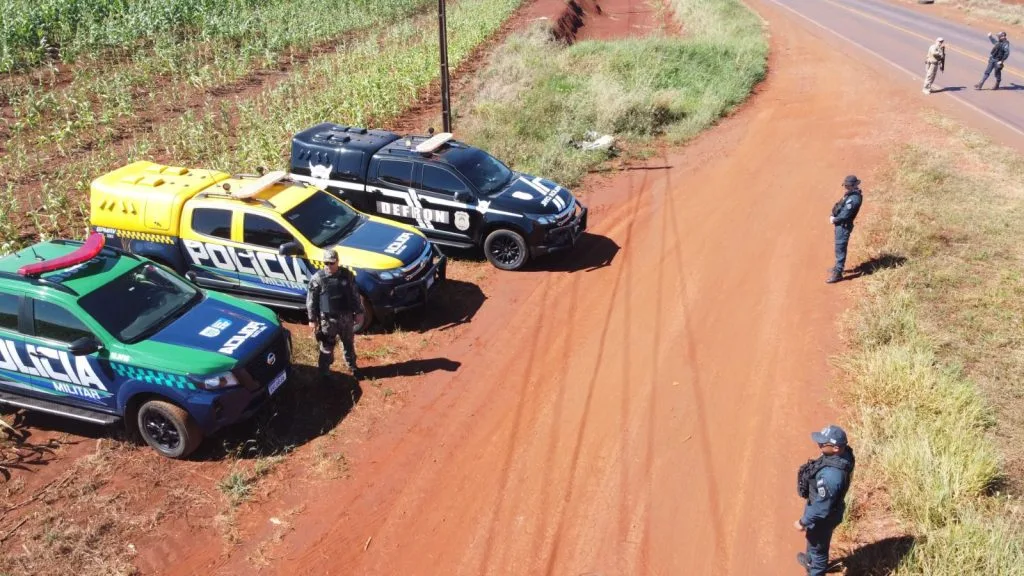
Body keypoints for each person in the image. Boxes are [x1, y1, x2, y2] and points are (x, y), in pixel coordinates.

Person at [794, 425, 856, 576]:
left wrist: (803, 522)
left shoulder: (831, 477)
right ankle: (810, 560)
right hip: (824, 507)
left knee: (818, 549)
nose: (819, 444)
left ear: (835, 448)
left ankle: (815, 570)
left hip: (823, 516)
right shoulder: (844, 453)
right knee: (813, 540)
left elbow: (822, 508)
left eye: (823, 443)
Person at [306, 248, 364, 380]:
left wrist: (359, 312)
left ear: (338, 262)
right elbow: (311, 300)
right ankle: (324, 372)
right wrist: (312, 319)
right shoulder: (318, 278)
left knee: (348, 343)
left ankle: (352, 366)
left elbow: (355, 294)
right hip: (328, 320)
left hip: (346, 318)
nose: (329, 266)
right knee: (326, 347)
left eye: (332, 263)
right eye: (326, 263)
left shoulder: (347, 275)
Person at [827, 175, 863, 284]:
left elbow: (845, 215)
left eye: (847, 185)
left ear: (852, 185)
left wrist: (834, 219)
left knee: (840, 248)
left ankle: (838, 272)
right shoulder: (851, 194)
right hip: (841, 225)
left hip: (843, 226)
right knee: (839, 247)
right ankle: (837, 267)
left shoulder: (854, 199)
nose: (845, 187)